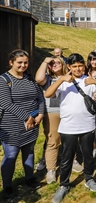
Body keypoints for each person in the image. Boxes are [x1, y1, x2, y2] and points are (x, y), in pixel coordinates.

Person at [44, 53, 96, 203]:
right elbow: (48, 94)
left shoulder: (89, 81)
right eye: (74, 66)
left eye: (80, 65)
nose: (78, 69)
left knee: (87, 155)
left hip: (87, 125)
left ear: (84, 66)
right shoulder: (62, 81)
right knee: (67, 158)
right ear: (69, 67)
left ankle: (89, 178)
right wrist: (61, 79)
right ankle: (64, 185)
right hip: (68, 127)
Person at [0, 49, 45, 199]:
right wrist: (27, 117)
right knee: (11, 155)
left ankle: (29, 177)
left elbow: (40, 98)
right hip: (12, 126)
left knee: (29, 151)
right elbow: (6, 103)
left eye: (25, 62)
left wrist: (40, 114)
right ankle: (7, 186)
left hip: (32, 125)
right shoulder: (3, 80)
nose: (23, 65)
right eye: (19, 62)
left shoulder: (30, 78)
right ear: (11, 62)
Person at [35, 56, 70, 184]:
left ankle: (75, 160)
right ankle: (51, 169)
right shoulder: (48, 79)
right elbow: (38, 79)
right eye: (52, 63)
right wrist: (45, 61)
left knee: (70, 139)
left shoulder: (69, 76)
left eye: (57, 62)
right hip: (52, 112)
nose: (54, 64)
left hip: (69, 112)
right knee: (52, 140)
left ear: (63, 63)